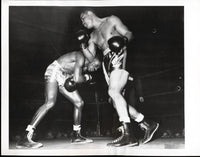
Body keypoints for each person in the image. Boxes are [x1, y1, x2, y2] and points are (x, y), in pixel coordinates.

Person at [79, 9, 159, 147]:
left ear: (90, 14)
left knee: (113, 92)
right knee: (114, 101)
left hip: (118, 52)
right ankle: (146, 123)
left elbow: (128, 33)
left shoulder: (111, 20)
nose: (83, 22)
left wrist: (123, 40)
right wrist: (82, 44)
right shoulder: (92, 36)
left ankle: (129, 135)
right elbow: (91, 57)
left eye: (83, 18)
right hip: (106, 62)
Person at [16, 50, 101, 148]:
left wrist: (81, 77)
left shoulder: (82, 66)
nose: (95, 68)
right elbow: (78, 79)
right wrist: (87, 78)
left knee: (79, 102)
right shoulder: (80, 56)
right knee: (50, 102)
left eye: (97, 68)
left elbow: (74, 79)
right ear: (92, 58)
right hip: (55, 70)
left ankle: (76, 135)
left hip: (64, 75)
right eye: (96, 65)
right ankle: (25, 136)